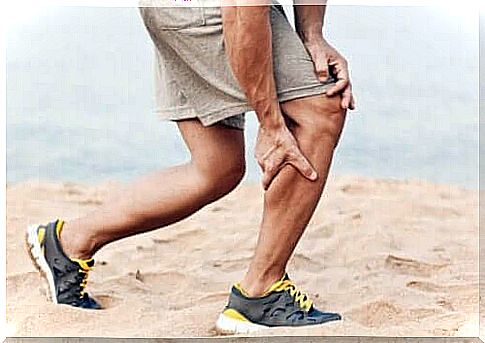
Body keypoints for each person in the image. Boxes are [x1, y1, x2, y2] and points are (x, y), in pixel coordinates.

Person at [26, 0, 355, 334]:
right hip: (213, 10)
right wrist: (271, 125)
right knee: (321, 110)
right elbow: (242, 10)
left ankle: (67, 242)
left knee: (217, 165)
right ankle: (262, 293)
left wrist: (312, 35)